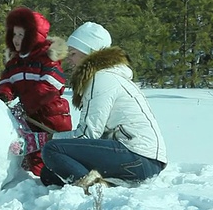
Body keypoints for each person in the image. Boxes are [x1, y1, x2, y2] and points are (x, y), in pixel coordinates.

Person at [39, 22, 168, 193]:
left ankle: (93, 190)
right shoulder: (109, 77)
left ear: (89, 53)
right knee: (49, 174)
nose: (68, 59)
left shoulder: (101, 78)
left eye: (73, 53)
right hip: (145, 160)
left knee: (52, 150)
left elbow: (88, 135)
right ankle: (105, 183)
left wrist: (49, 139)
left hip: (137, 157)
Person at [0, 6, 72, 177]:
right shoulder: (14, 62)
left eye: (21, 35)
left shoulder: (48, 58)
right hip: (28, 118)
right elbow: (7, 81)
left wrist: (26, 104)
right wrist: (3, 95)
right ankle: (35, 184)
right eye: (14, 34)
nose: (16, 39)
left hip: (52, 117)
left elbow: (50, 85)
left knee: (53, 152)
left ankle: (61, 182)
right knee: (33, 156)